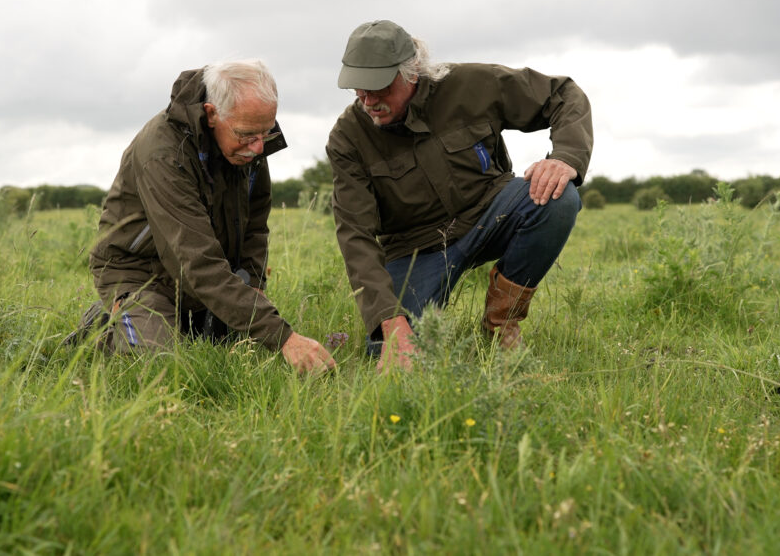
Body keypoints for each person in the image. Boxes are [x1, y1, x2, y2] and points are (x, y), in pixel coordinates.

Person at [327, 20, 593, 371]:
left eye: (379, 87)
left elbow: (563, 94)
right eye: (358, 88)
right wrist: (390, 321)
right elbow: (355, 235)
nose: (368, 100)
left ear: (412, 73)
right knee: (389, 350)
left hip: (490, 211)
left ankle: (501, 324)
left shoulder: (470, 84)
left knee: (556, 198)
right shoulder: (348, 138)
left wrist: (565, 158)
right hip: (415, 247)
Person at [77, 59, 336, 374]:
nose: (258, 148)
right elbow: (195, 260)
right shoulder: (163, 152)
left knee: (225, 351)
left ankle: (184, 320)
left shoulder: (249, 142)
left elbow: (255, 226)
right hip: (142, 275)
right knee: (165, 369)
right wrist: (282, 337)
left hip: (202, 277)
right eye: (247, 134)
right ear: (212, 114)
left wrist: (253, 283)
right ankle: (107, 322)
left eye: (265, 132)